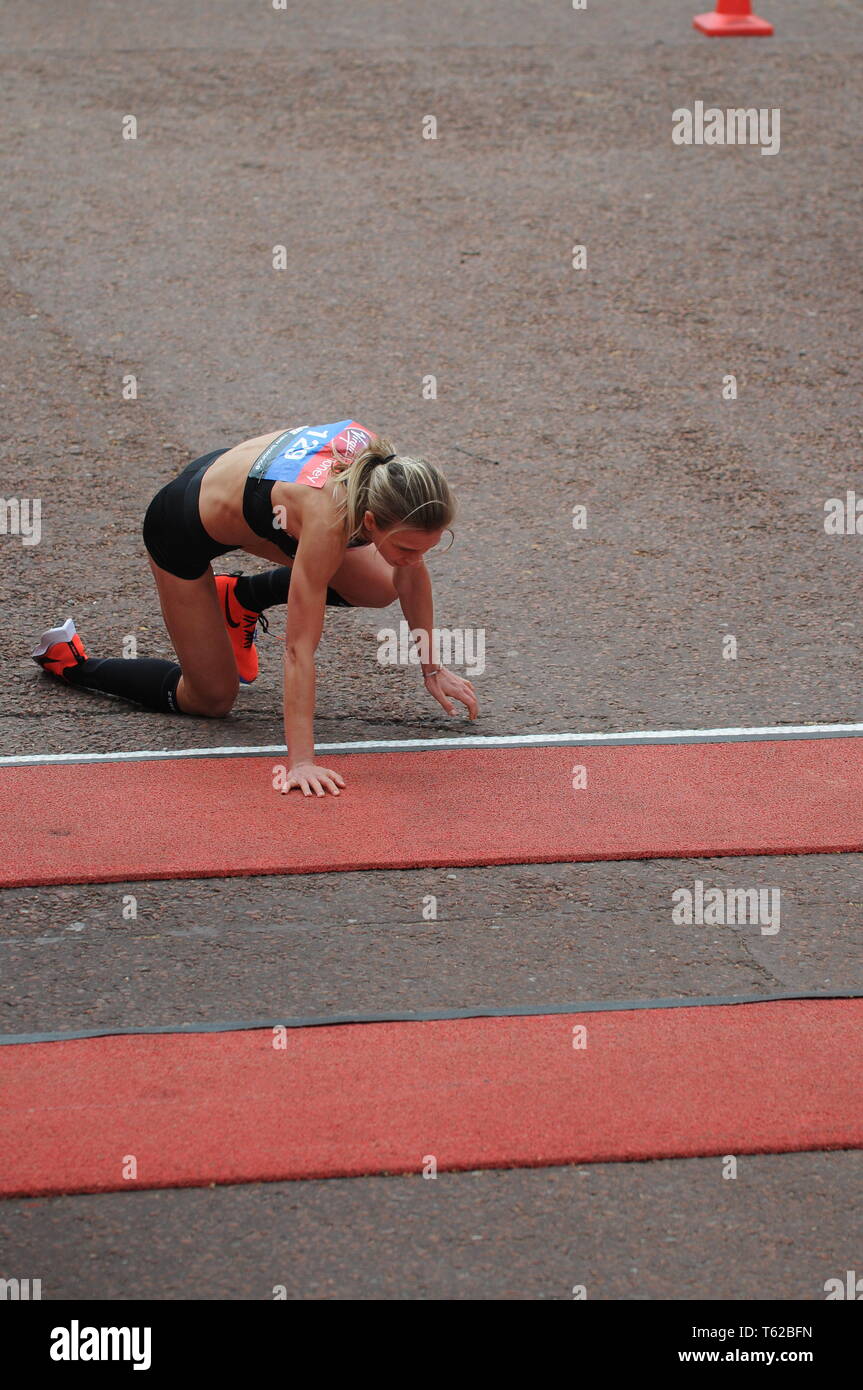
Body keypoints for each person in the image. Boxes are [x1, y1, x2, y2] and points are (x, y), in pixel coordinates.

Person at [32, 420, 479, 796]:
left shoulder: (387, 475)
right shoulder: (327, 519)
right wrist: (300, 762)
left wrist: (432, 668)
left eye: (428, 547)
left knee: (384, 584)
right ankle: (73, 663)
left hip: (239, 485)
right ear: (370, 521)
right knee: (210, 699)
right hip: (181, 524)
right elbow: (299, 649)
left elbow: (410, 576)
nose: (414, 558)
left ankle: (239, 598)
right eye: (404, 545)